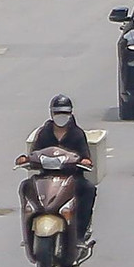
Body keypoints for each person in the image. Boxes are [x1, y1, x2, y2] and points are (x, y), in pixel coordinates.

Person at [19, 95, 96, 244]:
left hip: (71, 178)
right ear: (52, 113)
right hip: (45, 178)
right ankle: (29, 231)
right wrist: (27, 159)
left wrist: (84, 160)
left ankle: (80, 233)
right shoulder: (44, 132)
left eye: (65, 113)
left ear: (71, 113)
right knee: (25, 187)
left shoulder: (77, 133)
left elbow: (85, 156)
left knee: (88, 189)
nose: (62, 116)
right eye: (58, 113)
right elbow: (34, 152)